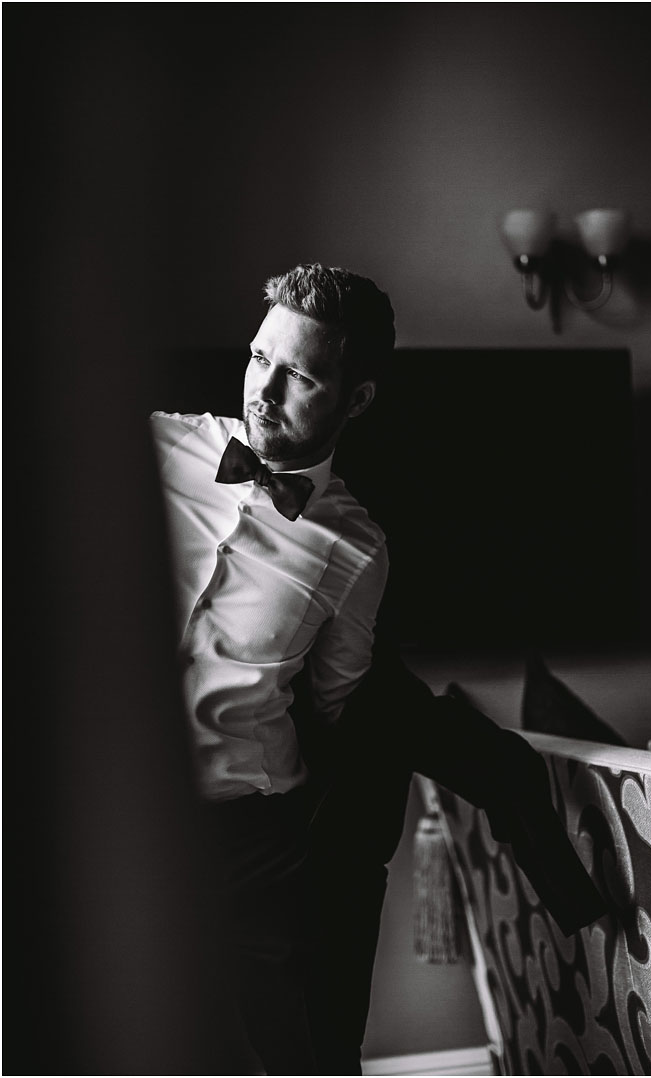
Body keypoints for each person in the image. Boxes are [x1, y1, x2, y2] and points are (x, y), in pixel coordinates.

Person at [150, 263, 393, 1072]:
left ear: (356, 399)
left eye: (299, 375)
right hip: (114, 813)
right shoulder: (150, 445)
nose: (264, 388)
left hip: (247, 835)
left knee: (281, 1050)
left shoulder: (358, 551)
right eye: (260, 358)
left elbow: (333, 701)